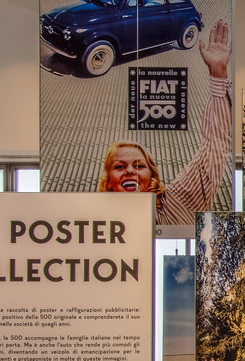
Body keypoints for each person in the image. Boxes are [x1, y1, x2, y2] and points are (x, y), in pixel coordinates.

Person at [95, 19, 233, 229]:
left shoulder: (180, 199)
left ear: (152, 174)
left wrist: (218, 73)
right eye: (120, 166)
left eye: (139, 165)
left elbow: (215, 149)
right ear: (109, 179)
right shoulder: (95, 221)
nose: (130, 171)